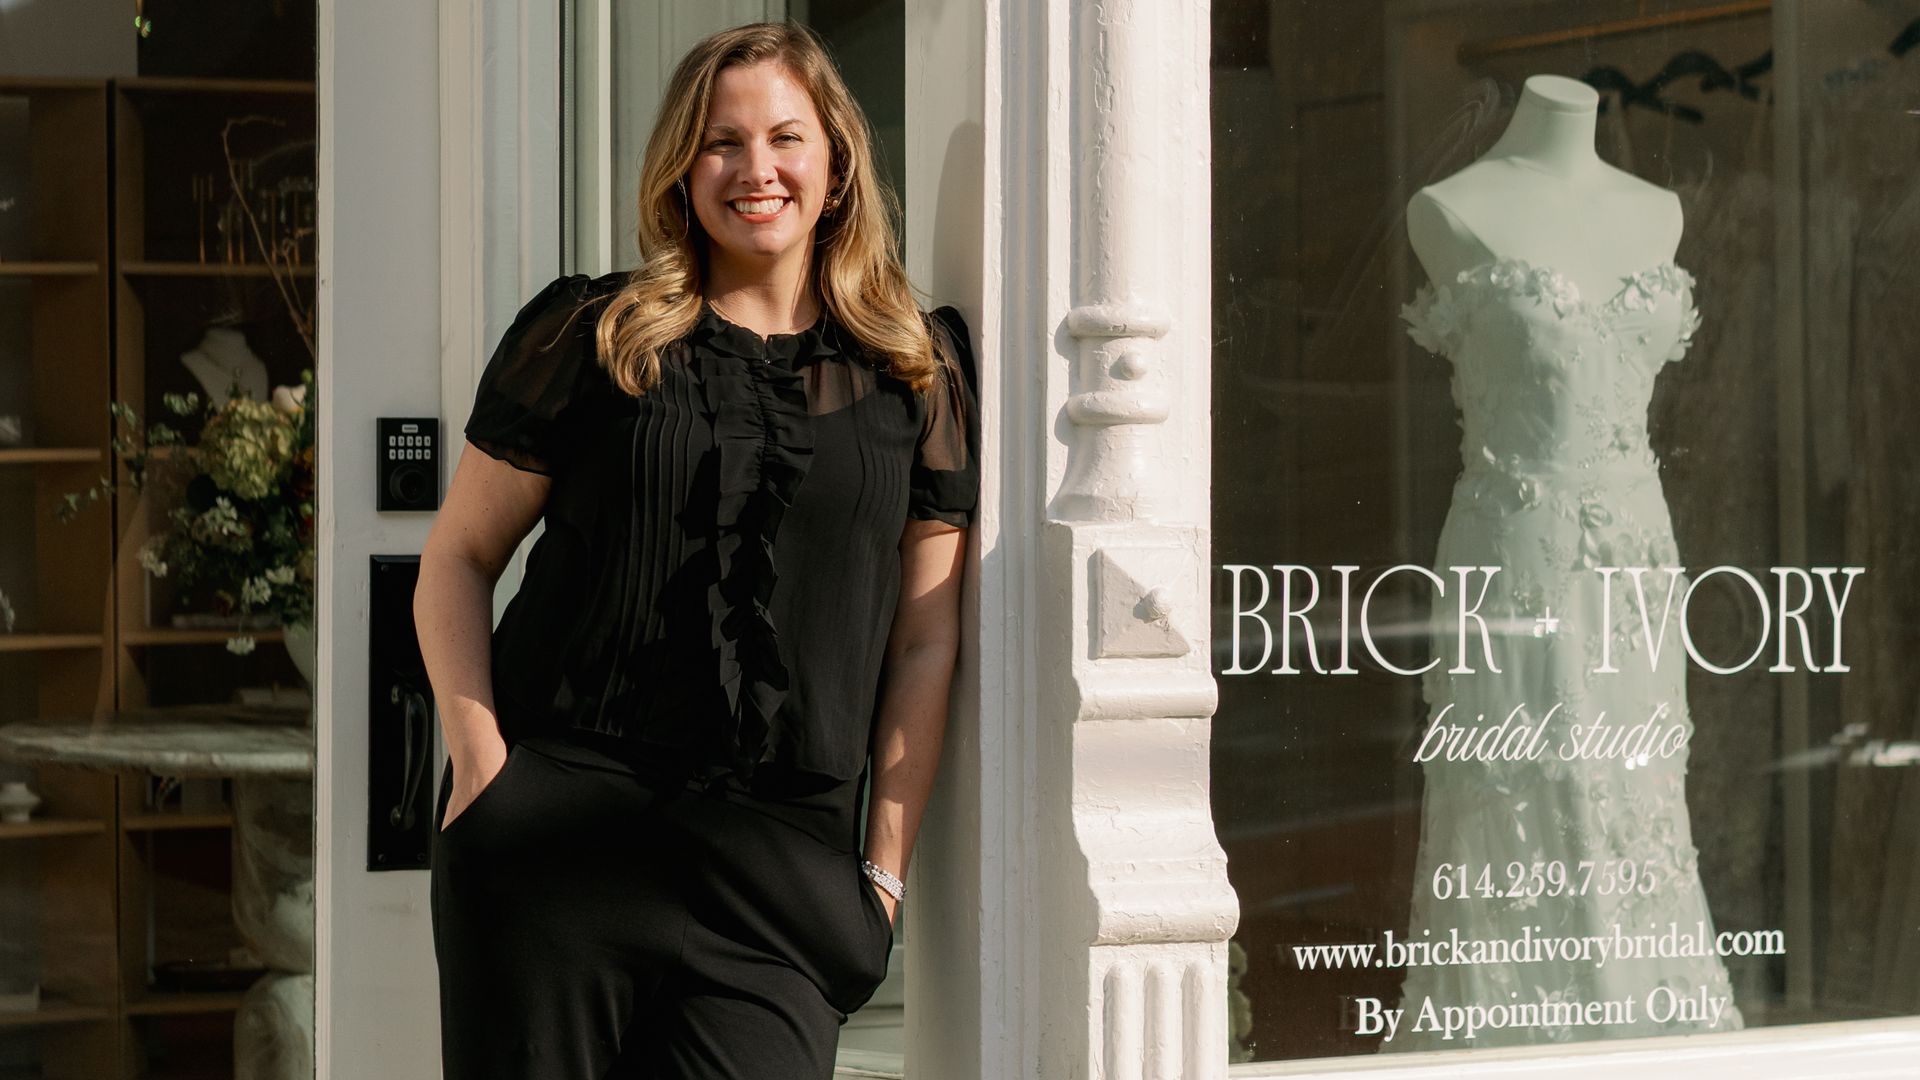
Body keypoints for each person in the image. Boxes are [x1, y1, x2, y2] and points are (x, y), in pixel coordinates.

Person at [416, 20, 977, 1079]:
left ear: (836, 163)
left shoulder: (915, 371)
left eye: (785, 137)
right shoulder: (593, 337)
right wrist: (482, 767)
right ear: (682, 167)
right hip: (559, 839)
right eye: (723, 142)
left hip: (782, 872)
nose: (756, 169)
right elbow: (457, 557)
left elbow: (926, 635)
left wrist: (885, 876)